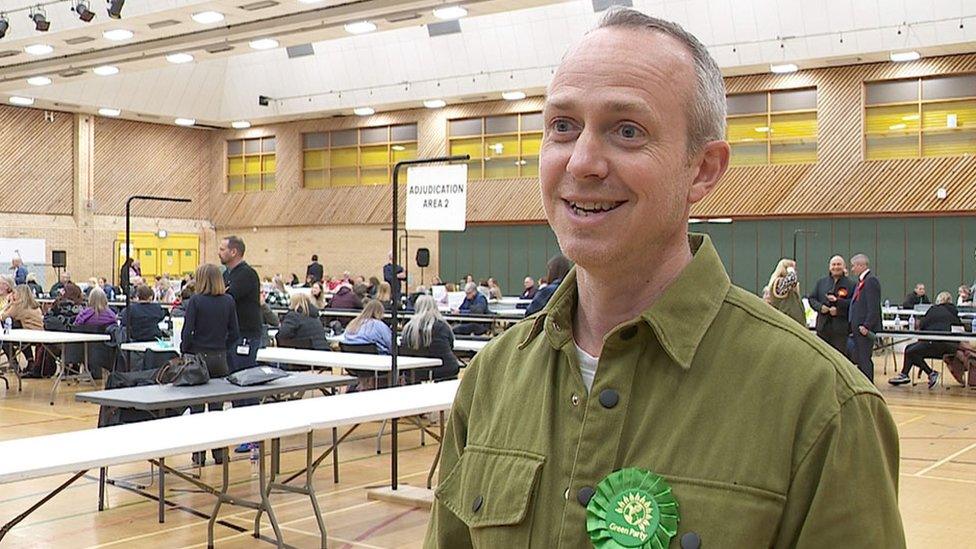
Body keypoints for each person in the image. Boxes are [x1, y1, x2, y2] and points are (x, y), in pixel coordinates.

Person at [425, 10, 904, 548]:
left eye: (627, 131)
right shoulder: (492, 378)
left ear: (702, 169)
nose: (582, 161)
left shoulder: (823, 406)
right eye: (562, 126)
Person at [181, 263, 239, 465]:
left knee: (197, 409)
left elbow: (187, 331)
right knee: (217, 410)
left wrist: (185, 349)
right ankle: (220, 453)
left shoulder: (196, 301)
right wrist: (224, 347)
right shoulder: (228, 301)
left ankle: (198, 454)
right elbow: (235, 333)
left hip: (199, 357)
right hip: (219, 358)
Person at [218, 235, 262, 452]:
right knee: (235, 381)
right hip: (232, 335)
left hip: (246, 334)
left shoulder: (246, 274)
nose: (219, 252)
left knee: (247, 381)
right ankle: (239, 429)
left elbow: (228, 296)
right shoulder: (227, 274)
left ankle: (253, 434)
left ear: (234, 252)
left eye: (222, 248)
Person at [888, 291, 961, 388]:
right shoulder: (954, 312)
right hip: (951, 347)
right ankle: (905, 374)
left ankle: (930, 373)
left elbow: (922, 325)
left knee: (911, 351)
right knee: (911, 349)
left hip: (935, 344)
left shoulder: (934, 309)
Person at [401, 295, 460, 382]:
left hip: (416, 372)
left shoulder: (408, 328)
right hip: (445, 369)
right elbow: (451, 344)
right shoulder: (442, 326)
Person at [808, 255, 855, 355]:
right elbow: (812, 299)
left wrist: (839, 311)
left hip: (840, 330)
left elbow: (853, 304)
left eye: (839, 264)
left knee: (839, 358)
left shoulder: (851, 285)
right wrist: (820, 308)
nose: (836, 267)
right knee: (822, 357)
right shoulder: (821, 282)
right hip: (822, 328)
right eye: (833, 264)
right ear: (829, 267)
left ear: (844, 267)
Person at [848, 253, 883, 382]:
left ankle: (868, 384)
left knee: (864, 359)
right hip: (858, 328)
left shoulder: (871, 281)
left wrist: (866, 325)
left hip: (864, 328)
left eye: (853, 266)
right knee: (860, 358)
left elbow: (873, 307)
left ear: (861, 265)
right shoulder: (861, 282)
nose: (852, 269)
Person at [1, 285, 43, 376]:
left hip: (28, 336)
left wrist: (10, 302)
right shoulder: (35, 305)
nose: (12, 295)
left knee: (6, 342)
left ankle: (14, 365)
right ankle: (30, 361)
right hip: (40, 335)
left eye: (14, 293)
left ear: (20, 294)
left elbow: (2, 316)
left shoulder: (19, 306)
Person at [766, 259, 806, 326]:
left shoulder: (790, 290)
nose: (795, 272)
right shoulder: (778, 284)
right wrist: (790, 269)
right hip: (788, 325)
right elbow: (792, 279)